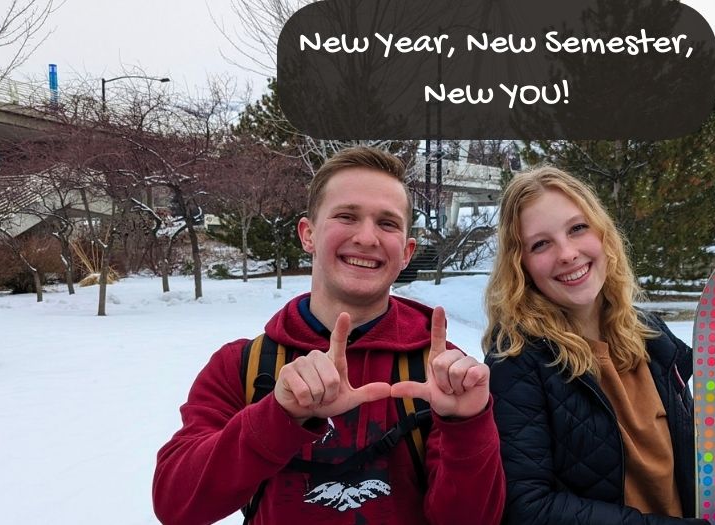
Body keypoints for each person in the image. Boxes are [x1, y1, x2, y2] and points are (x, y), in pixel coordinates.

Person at [483, 166, 715, 524]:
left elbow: (707, 465)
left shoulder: (649, 337)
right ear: (521, 265)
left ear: (602, 235)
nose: (566, 253)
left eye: (577, 228)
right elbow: (529, 508)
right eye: (541, 244)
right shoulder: (516, 359)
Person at [154, 146, 505, 525]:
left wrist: (466, 425)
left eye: (387, 223)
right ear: (308, 234)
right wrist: (279, 415)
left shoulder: (442, 375)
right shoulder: (242, 366)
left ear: (406, 252)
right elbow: (177, 504)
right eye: (346, 216)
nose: (368, 237)